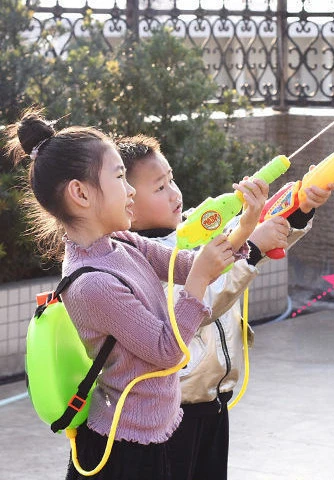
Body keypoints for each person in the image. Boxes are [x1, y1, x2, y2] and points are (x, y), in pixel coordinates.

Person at [4, 109, 255, 479]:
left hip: (156, 433)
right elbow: (168, 352)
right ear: (81, 194)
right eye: (121, 177)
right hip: (125, 450)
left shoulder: (120, 242)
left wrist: (245, 225)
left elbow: (183, 266)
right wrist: (200, 278)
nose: (132, 190)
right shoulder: (93, 283)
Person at [116, 134, 334, 479]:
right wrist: (254, 246)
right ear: (126, 200)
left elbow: (249, 231)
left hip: (212, 402)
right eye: (159, 188)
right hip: (172, 410)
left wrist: (301, 204)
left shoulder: (193, 227)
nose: (174, 192)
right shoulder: (138, 256)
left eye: (171, 179)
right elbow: (203, 302)